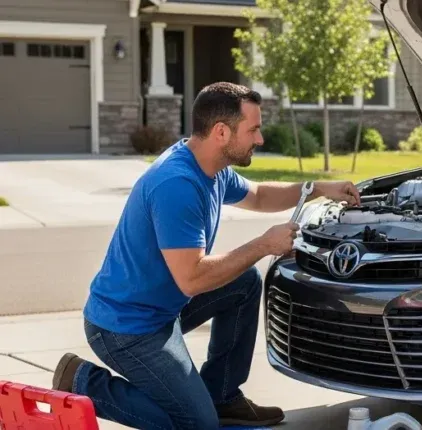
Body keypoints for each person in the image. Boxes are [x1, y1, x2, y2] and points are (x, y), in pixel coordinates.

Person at [50, 82, 361, 429]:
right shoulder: (177, 185)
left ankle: (223, 396)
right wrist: (263, 245)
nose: (259, 139)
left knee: (243, 282)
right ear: (221, 131)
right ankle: (83, 382)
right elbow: (192, 277)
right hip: (125, 328)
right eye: (253, 130)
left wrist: (317, 188)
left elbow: (257, 196)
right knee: (198, 424)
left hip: (162, 308)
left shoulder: (211, 165)